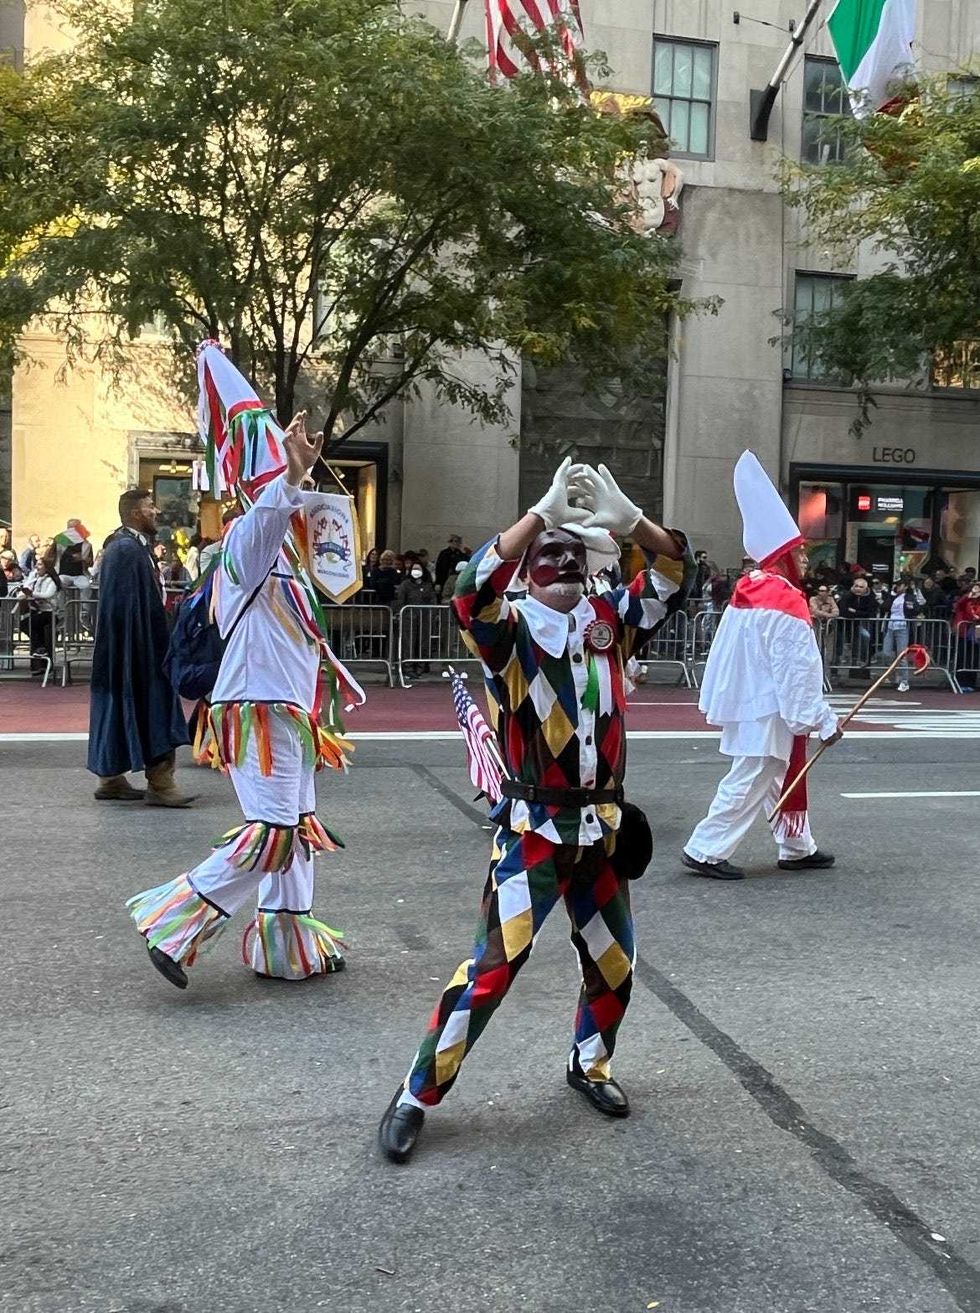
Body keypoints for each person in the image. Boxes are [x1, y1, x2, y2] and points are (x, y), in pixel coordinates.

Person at [378, 458, 692, 1163]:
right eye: (548, 549)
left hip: (602, 834)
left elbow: (674, 577)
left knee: (615, 964)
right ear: (525, 569)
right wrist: (537, 518)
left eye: (573, 549)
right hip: (533, 834)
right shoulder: (506, 632)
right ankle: (415, 1094)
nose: (562, 557)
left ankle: (591, 1063)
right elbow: (466, 592)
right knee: (492, 967)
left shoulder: (612, 619)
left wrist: (634, 523)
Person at [127, 343, 365, 989]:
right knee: (272, 830)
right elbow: (267, 518)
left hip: (289, 712)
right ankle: (172, 922)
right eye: (285, 483)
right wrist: (290, 481)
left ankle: (286, 946)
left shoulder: (288, 555)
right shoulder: (248, 542)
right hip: (256, 710)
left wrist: (299, 487)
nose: (302, 491)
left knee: (295, 828)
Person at [682, 451, 840, 882]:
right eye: (800, 554)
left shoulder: (749, 590)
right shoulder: (786, 600)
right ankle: (705, 848)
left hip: (753, 701)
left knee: (772, 775)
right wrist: (819, 720)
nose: (806, 561)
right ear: (784, 557)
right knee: (754, 776)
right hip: (769, 706)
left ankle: (796, 844)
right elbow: (796, 671)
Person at [87, 488, 193, 806]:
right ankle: (161, 784)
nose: (156, 511)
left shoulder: (130, 547)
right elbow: (123, 609)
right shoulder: (125, 549)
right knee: (156, 707)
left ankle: (111, 780)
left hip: (130, 648)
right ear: (135, 513)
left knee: (118, 710)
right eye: (149, 507)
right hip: (139, 649)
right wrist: (145, 646)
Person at [16, 549, 64, 675]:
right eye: (36, 564)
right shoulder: (35, 578)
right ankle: (40, 654)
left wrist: (32, 594)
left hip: (50, 613)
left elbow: (48, 594)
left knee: (26, 624)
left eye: (40, 564)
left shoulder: (51, 581)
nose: (37, 566)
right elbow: (26, 588)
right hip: (37, 611)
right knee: (31, 628)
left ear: (47, 567)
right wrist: (24, 593)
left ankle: (40, 648)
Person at [395, 560, 438, 677]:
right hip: (409, 618)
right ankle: (408, 667)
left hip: (425, 618)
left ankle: (421, 666)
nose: (416, 571)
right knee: (408, 643)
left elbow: (433, 601)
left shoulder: (428, 585)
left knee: (424, 643)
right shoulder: (405, 584)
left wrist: (432, 614)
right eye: (414, 569)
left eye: (418, 569)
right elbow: (400, 601)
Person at [881, 580, 923, 693]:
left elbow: (916, 609)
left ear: (904, 586)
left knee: (902, 655)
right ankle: (893, 675)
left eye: (899, 585)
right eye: (896, 585)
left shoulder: (910, 597)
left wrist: (909, 608)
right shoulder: (892, 596)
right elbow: (884, 607)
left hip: (903, 626)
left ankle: (904, 681)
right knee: (886, 653)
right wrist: (892, 596)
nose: (897, 587)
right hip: (890, 626)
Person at [838, 575, 877, 676]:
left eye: (861, 587)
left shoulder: (870, 597)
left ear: (866, 588)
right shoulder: (847, 595)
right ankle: (837, 669)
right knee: (840, 647)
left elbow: (870, 613)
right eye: (856, 586)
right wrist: (857, 613)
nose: (858, 589)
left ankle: (864, 662)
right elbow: (843, 611)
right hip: (844, 626)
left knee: (865, 636)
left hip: (862, 625)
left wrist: (855, 611)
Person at [953, 583, 980, 692]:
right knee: (962, 656)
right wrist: (970, 595)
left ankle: (971, 682)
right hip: (963, 631)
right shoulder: (965, 601)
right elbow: (960, 605)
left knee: (973, 658)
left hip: (976, 632)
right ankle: (960, 681)